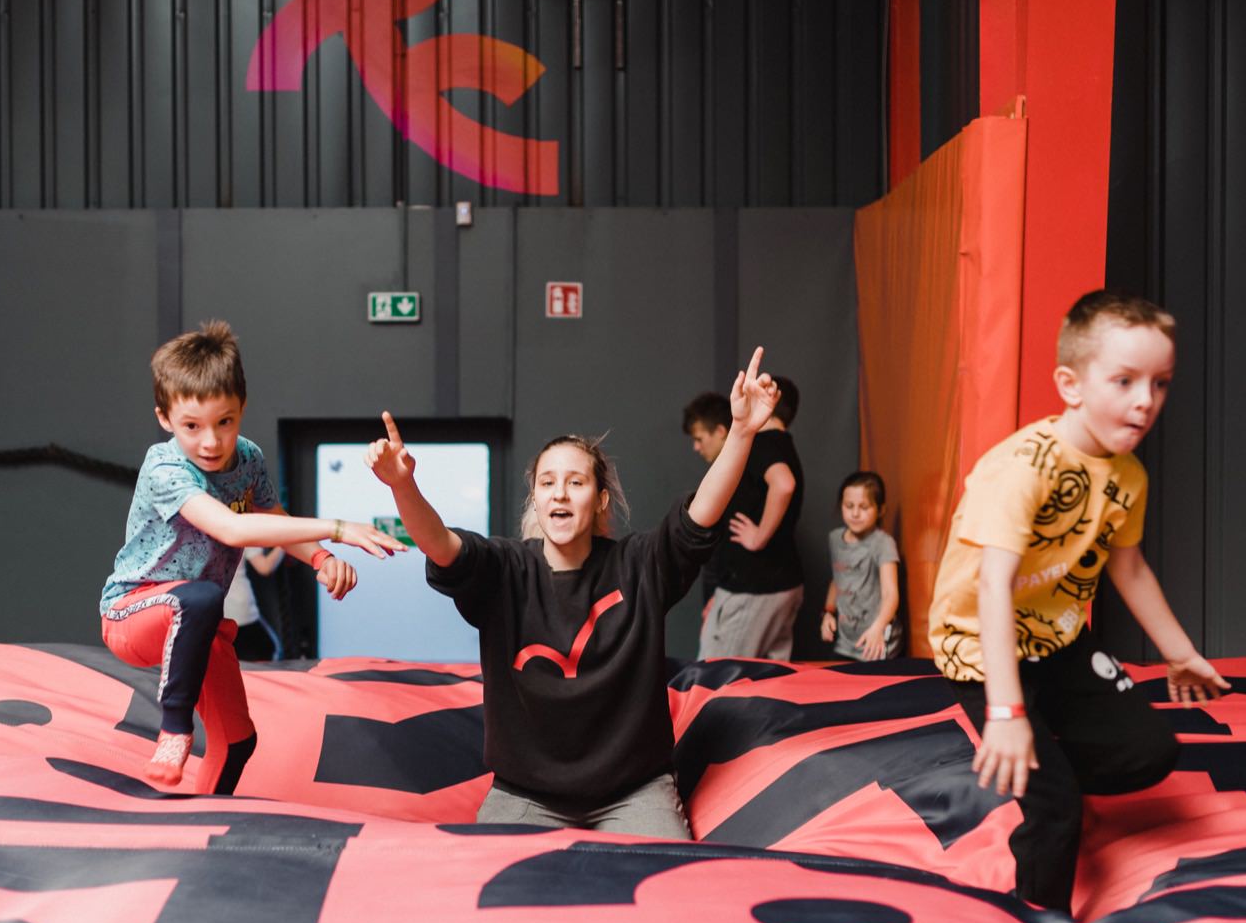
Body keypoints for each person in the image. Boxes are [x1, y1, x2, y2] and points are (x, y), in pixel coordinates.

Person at [370, 351, 781, 836]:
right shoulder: (505, 569)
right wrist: (403, 486)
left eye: (575, 482)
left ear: (600, 498)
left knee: (670, 893)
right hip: (525, 794)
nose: (560, 493)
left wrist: (741, 433)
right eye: (548, 483)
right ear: (537, 500)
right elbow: (441, 547)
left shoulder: (640, 564)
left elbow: (701, 515)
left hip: (634, 792)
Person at [926, 289, 1229, 913]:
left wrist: (1182, 653)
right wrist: (1008, 714)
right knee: (1056, 807)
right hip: (982, 644)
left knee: (1152, 752)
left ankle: (1042, 760)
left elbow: (1131, 567)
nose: (1146, 402)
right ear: (1071, 384)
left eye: (1160, 384)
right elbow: (992, 588)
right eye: (1124, 381)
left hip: (1058, 640)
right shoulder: (1020, 471)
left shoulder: (1126, 474)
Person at [100, 320, 404, 790]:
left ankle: (201, 822)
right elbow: (232, 527)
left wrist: (321, 560)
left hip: (199, 624)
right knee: (196, 596)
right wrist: (338, 528)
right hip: (133, 613)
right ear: (165, 418)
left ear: (242, 408)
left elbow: (275, 521)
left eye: (225, 422)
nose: (211, 442)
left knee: (238, 741)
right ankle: (174, 728)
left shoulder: (248, 459)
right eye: (192, 426)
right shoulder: (165, 466)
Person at [687, 376, 806, 660]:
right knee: (768, 684)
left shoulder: (760, 443)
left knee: (715, 680)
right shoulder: (784, 446)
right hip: (781, 585)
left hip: (753, 588)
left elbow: (784, 483)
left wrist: (759, 535)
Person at [822, 471, 901, 661]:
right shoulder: (835, 538)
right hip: (846, 640)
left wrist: (878, 628)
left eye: (864, 507)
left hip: (877, 640)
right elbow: (837, 579)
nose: (855, 513)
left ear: (881, 510)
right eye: (849, 506)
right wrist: (828, 613)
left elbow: (891, 594)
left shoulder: (883, 543)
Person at [225, 547, 286, 661]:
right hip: (239, 610)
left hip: (210, 609)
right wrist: (285, 545)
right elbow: (265, 567)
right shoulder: (242, 530)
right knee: (270, 652)